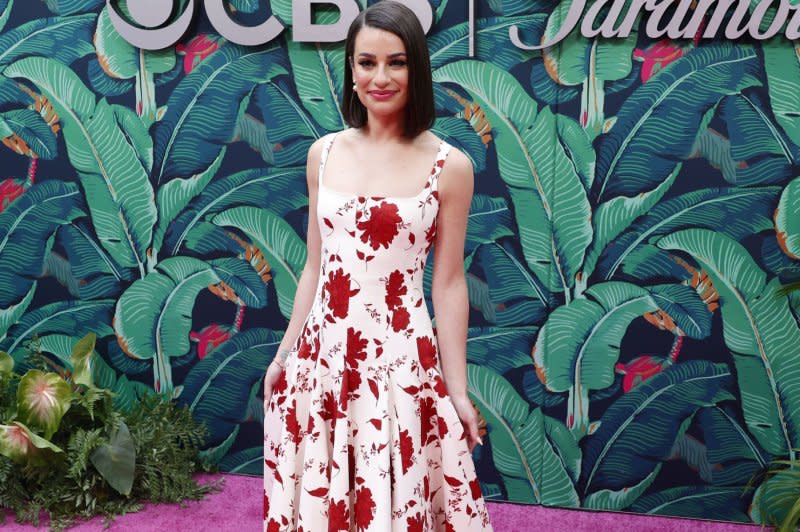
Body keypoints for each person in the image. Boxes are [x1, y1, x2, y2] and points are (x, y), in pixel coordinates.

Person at [263, 1, 493, 530]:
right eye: (366, 62)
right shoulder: (322, 154)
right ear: (351, 69)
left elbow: (450, 283)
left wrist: (456, 390)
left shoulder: (450, 166)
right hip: (321, 358)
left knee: (392, 500)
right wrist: (285, 353)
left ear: (418, 68)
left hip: (399, 364)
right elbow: (315, 266)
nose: (380, 77)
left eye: (397, 62)